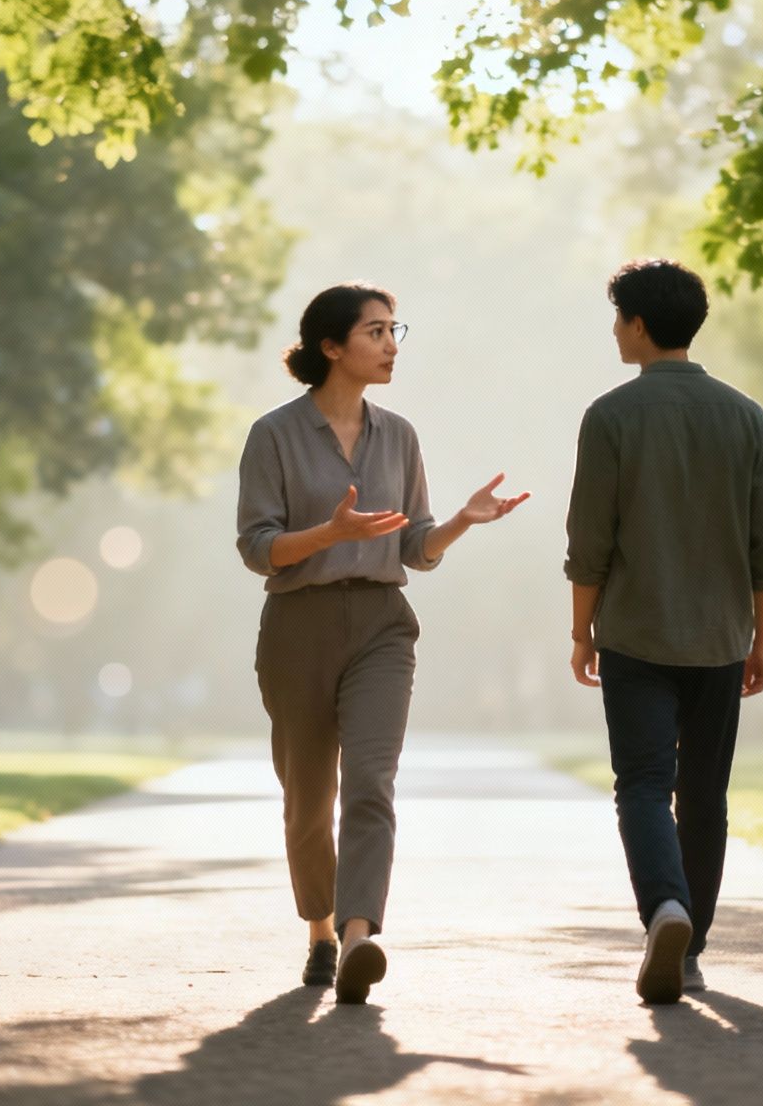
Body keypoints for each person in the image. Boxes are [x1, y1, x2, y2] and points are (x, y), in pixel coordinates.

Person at [236, 281, 528, 1005]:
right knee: (308, 799)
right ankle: (321, 932)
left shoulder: (399, 435)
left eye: (396, 330)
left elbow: (416, 546)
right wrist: (328, 534)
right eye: (375, 332)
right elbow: (257, 547)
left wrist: (460, 520)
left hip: (381, 627)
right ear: (331, 346)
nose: (392, 345)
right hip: (297, 628)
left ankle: (361, 936)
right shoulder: (273, 434)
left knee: (371, 783)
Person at [564, 258, 763, 1005]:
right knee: (705, 794)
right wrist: (759, 640)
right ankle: (690, 948)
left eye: (617, 317)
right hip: (722, 638)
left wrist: (580, 631)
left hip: (634, 635)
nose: (613, 331)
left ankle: (665, 908)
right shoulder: (747, 416)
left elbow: (590, 539)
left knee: (642, 785)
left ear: (635, 323)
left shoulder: (611, 417)